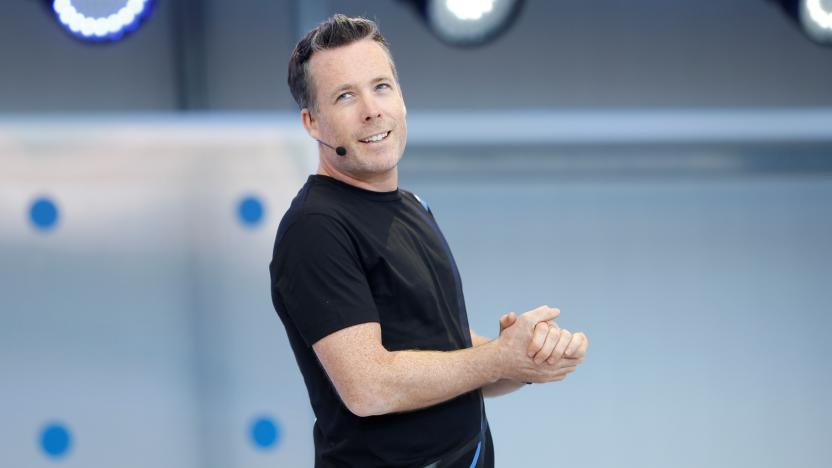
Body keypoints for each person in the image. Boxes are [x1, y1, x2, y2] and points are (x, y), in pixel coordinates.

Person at [269, 14, 589, 468]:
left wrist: (525, 358)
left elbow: (451, 358)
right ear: (312, 123)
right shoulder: (316, 227)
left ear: (401, 98)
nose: (371, 110)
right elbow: (369, 387)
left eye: (381, 86)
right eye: (345, 96)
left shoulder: (412, 206)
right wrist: (498, 359)